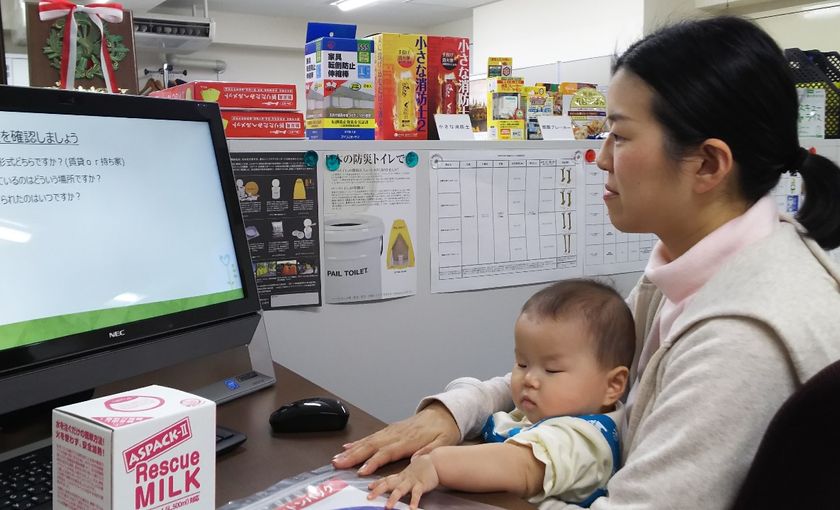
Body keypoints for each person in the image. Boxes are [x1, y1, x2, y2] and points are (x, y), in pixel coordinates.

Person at [334, 15, 840, 509]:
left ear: (707, 164)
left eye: (619, 135)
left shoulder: (741, 340)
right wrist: (454, 412)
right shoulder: (690, 267)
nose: (600, 158)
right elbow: (574, 372)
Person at [368, 280, 635, 509]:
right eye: (522, 364)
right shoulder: (539, 411)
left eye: (552, 370)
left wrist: (436, 465)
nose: (529, 379)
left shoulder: (583, 439)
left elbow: (521, 466)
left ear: (612, 385)